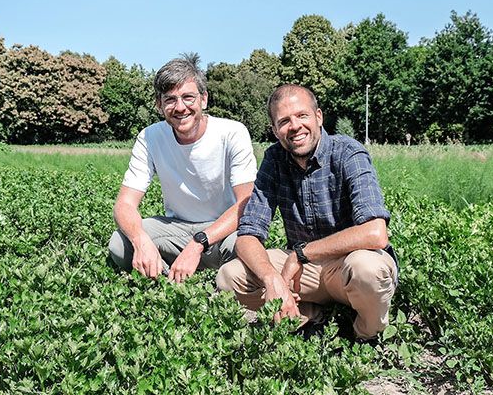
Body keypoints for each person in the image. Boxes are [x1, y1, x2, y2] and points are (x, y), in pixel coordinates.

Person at [216, 84, 399, 339]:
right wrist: (272, 279)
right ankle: (311, 316)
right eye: (284, 121)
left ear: (318, 117)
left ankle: (363, 336)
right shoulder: (274, 160)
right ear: (275, 130)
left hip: (347, 265)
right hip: (305, 272)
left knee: (368, 269)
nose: (295, 126)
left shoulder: (348, 153)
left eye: (302, 116)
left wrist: (301, 254)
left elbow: (375, 233)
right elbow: (247, 235)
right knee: (229, 276)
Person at [108, 58, 256, 283]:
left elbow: (246, 203)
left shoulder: (232, 133)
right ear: (159, 105)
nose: (180, 107)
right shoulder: (150, 137)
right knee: (120, 244)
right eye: (170, 99)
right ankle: (171, 275)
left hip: (222, 230)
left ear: (203, 99)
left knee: (245, 245)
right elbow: (124, 204)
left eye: (188, 97)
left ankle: (191, 273)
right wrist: (140, 240)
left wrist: (199, 243)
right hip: (176, 229)